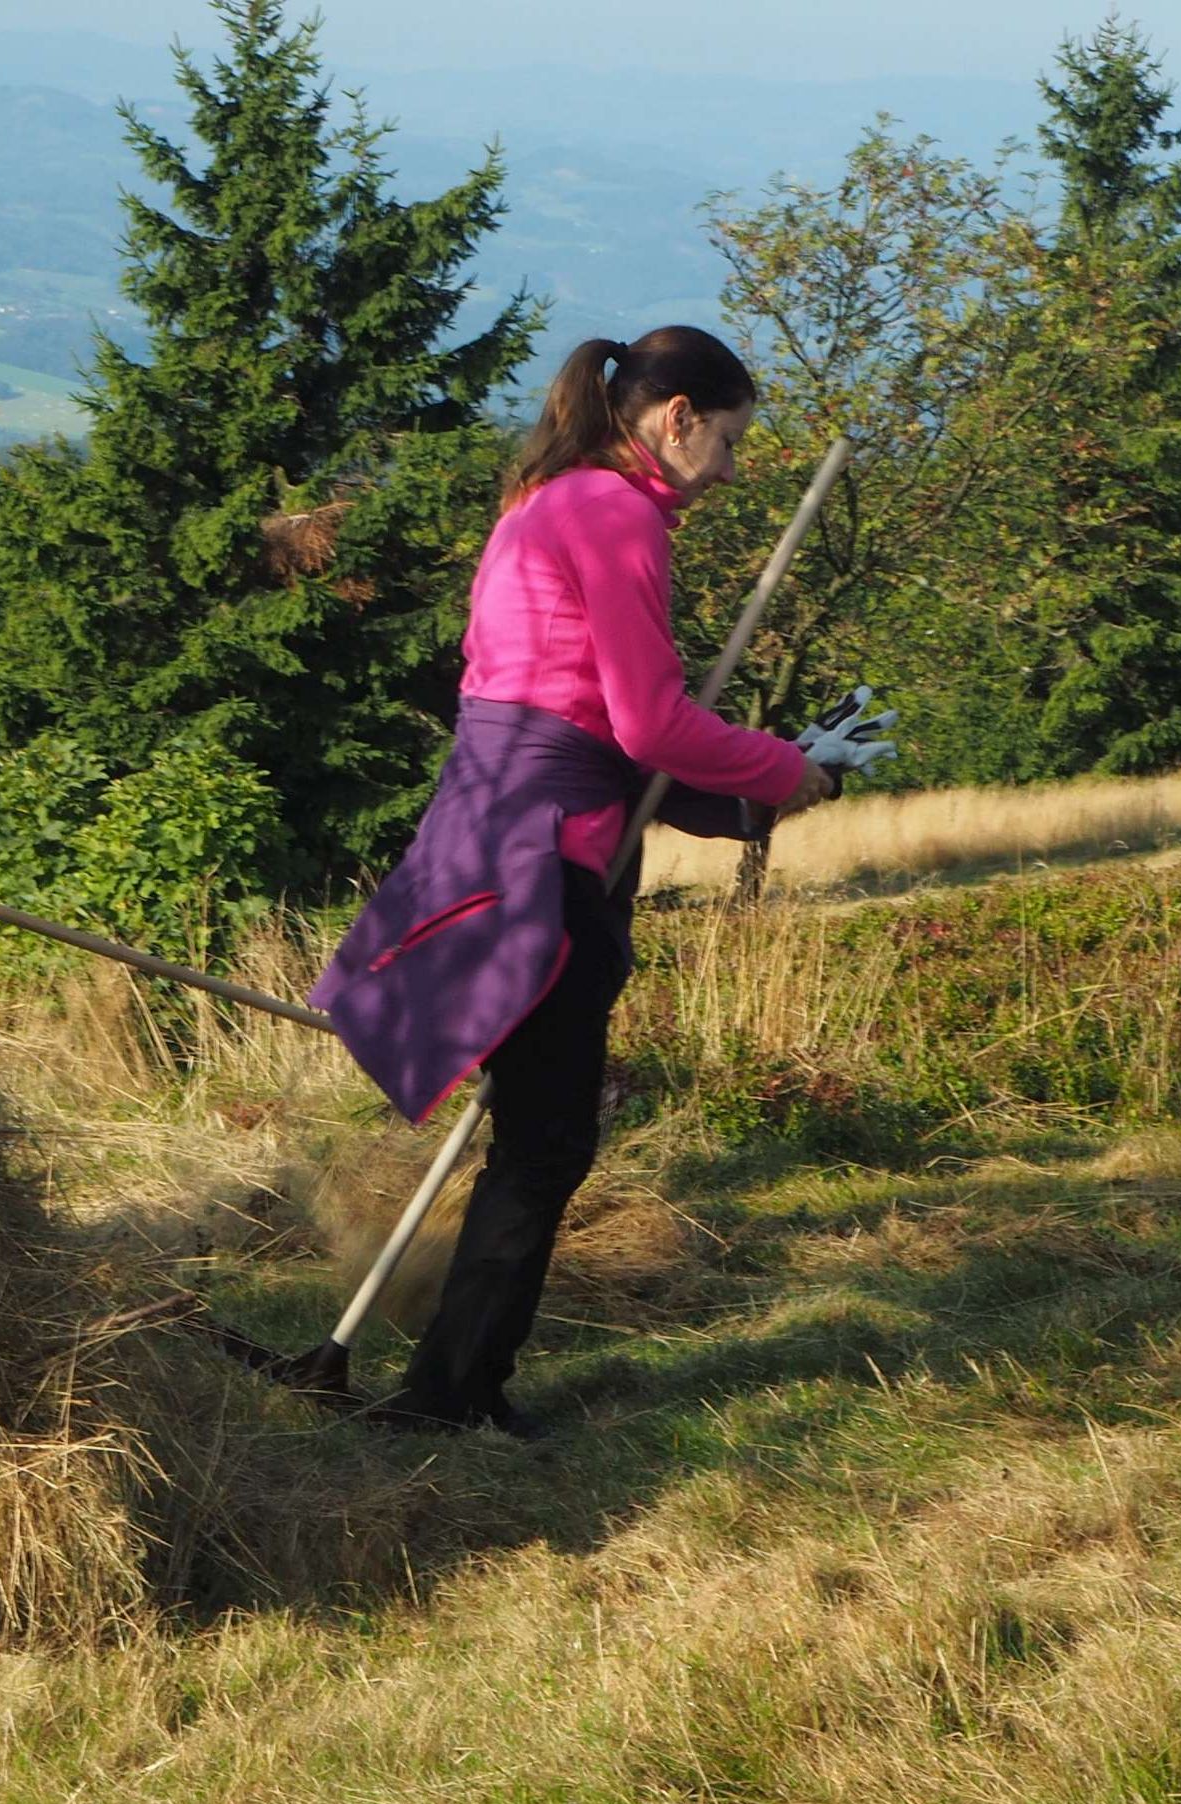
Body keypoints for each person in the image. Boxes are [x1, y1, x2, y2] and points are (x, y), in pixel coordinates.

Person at [309, 327, 893, 1437]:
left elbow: (576, 723)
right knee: (546, 1139)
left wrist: (746, 792)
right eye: (724, 441)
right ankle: (449, 1398)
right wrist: (785, 769)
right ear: (673, 416)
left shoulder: (540, 502)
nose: (728, 470)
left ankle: (453, 1382)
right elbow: (645, 723)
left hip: (485, 825)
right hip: (544, 856)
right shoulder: (618, 515)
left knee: (533, 1125)